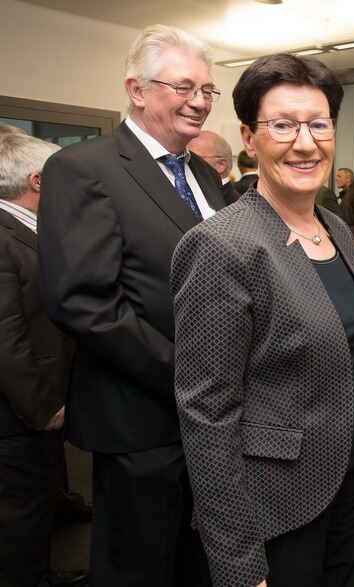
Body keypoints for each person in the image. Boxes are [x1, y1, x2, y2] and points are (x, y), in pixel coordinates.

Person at [170, 53, 354, 587]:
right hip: (276, 502)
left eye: (318, 124)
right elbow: (207, 415)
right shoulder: (223, 246)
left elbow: (340, 328)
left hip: (347, 475)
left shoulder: (334, 228)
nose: (305, 142)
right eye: (283, 125)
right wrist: (238, 563)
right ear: (249, 137)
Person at [37, 24, 227, 586]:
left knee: (200, 559)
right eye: (183, 87)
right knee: (137, 566)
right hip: (140, 415)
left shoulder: (200, 174)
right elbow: (84, 302)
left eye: (207, 90)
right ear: (136, 90)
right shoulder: (82, 168)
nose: (198, 102)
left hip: (212, 415)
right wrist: (188, 373)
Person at [0, 134, 88, 587]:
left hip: (34, 407)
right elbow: (5, 339)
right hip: (18, 415)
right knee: (17, 514)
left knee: (33, 506)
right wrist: (41, 406)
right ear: (37, 181)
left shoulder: (27, 230)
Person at [188, 129, 242, 204]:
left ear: (221, 165)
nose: (187, 162)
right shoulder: (201, 194)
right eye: (186, 156)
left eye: (195, 158)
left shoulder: (232, 205)